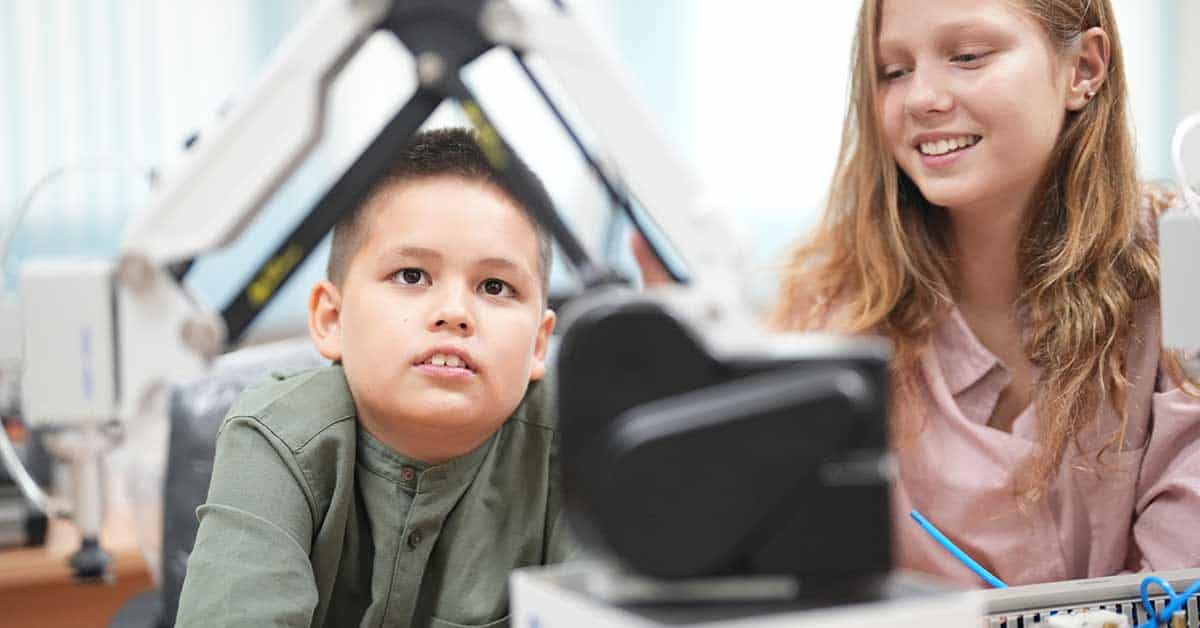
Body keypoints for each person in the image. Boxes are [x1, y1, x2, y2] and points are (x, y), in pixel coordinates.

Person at [639, 0, 1200, 587]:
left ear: (1084, 68)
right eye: (894, 71)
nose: (921, 99)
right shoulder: (833, 310)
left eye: (967, 57)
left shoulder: (1178, 263)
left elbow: (1181, 580)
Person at [176, 128, 574, 626]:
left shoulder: (588, 441)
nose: (454, 312)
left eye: (495, 286)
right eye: (411, 276)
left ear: (539, 343)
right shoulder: (276, 437)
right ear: (331, 319)